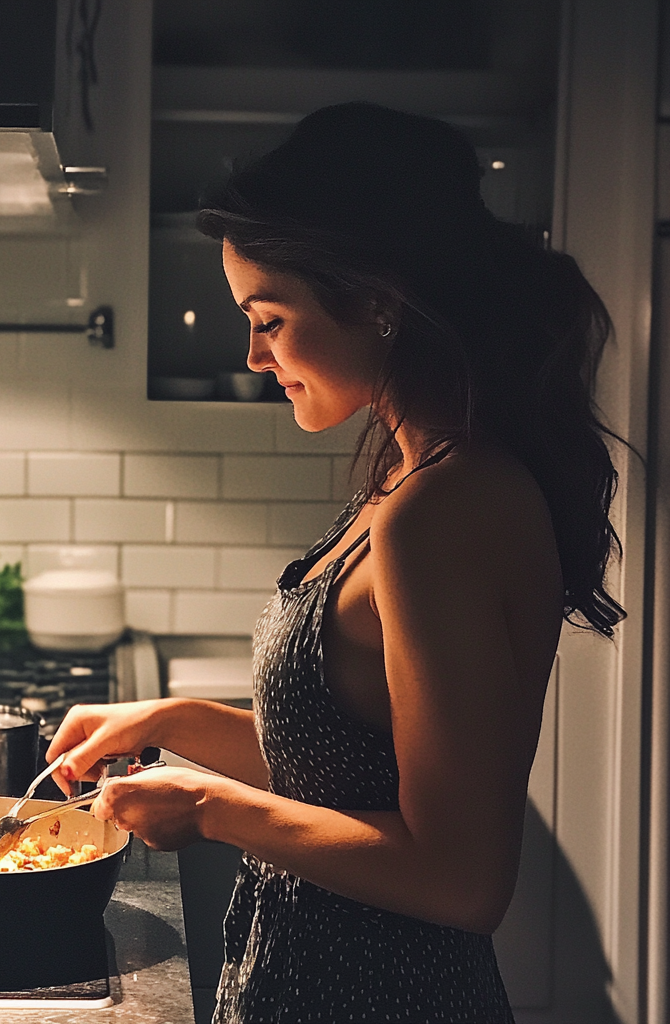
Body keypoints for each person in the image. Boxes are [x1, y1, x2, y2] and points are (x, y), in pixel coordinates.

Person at [47, 103, 625, 1023]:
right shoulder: (417, 477)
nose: (252, 353)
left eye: (270, 318)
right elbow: (351, 776)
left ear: (381, 302)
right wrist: (174, 719)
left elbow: (462, 879)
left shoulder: (448, 505)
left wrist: (209, 809)